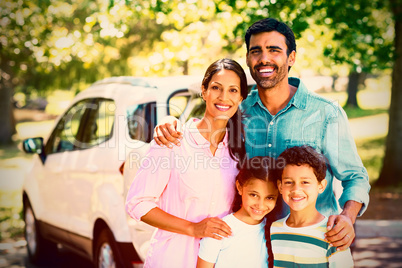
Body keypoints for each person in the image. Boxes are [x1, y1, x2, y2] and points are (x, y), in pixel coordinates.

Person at [153, 17, 370, 252]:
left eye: (274, 50)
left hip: (314, 243)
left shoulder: (325, 113)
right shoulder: (237, 109)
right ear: (247, 59)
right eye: (256, 51)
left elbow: (355, 176)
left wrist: (348, 216)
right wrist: (169, 122)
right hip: (252, 245)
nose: (264, 58)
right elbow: (202, 132)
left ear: (292, 57)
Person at [125, 58, 249, 267]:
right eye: (216, 88)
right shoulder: (172, 140)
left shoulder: (240, 151)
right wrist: (193, 228)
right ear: (204, 91)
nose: (224, 97)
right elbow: (138, 203)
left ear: (241, 97)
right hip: (172, 259)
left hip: (220, 261)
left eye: (233, 90)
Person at [271, 145, 354, 267]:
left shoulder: (333, 234)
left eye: (305, 182)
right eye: (289, 182)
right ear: (280, 186)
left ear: (321, 186)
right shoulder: (275, 229)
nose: (296, 189)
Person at [197, 156, 279, 268]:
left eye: (269, 198)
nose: (260, 205)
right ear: (239, 187)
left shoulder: (274, 230)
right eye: (254, 195)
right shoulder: (219, 230)